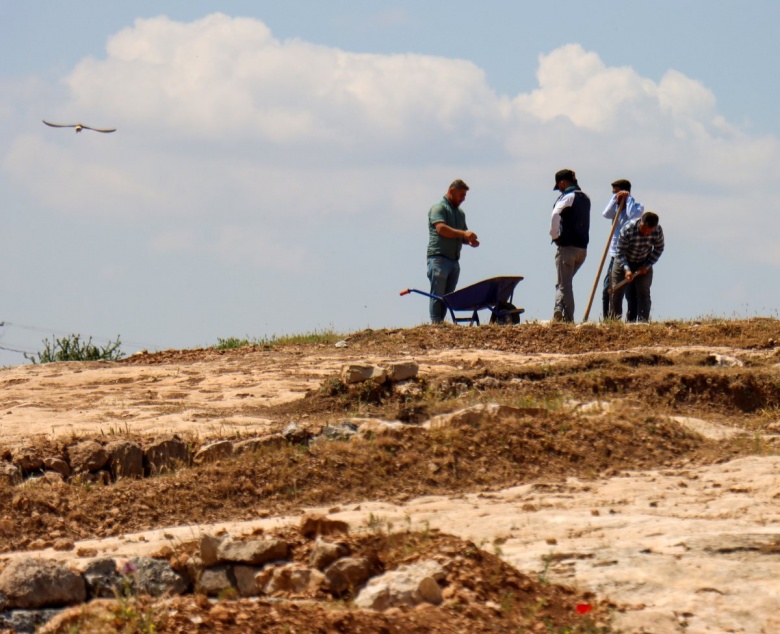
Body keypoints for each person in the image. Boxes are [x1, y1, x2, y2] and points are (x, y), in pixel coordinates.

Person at [426, 179, 480, 323]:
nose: (463, 199)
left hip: (453, 260)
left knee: (448, 295)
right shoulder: (438, 208)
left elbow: (461, 234)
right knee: (438, 293)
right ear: (451, 192)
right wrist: (463, 234)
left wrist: (469, 240)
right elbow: (441, 229)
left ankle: (441, 322)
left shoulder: (460, 214)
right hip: (439, 258)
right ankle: (436, 323)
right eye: (461, 195)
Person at [549, 169, 590, 322]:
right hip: (582, 249)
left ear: (563, 183)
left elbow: (555, 215)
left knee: (565, 285)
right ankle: (558, 310)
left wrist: (555, 236)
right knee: (562, 282)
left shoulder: (567, 198)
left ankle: (568, 319)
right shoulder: (586, 198)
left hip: (567, 248)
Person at [610, 211, 665, 322]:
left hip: (644, 262)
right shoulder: (627, 230)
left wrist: (647, 265)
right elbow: (620, 252)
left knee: (644, 291)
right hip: (624, 260)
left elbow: (659, 248)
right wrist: (627, 269)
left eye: (649, 231)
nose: (645, 233)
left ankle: (643, 321)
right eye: (644, 230)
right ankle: (614, 321)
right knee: (617, 291)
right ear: (640, 221)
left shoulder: (657, 230)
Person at [602, 179, 644, 321]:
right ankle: (610, 318)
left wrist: (628, 199)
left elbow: (633, 215)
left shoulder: (638, 207)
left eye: (617, 192)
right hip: (615, 253)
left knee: (630, 291)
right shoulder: (615, 208)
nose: (615, 195)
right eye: (614, 193)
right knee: (608, 288)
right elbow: (605, 214)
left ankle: (631, 320)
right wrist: (615, 199)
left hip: (629, 254)